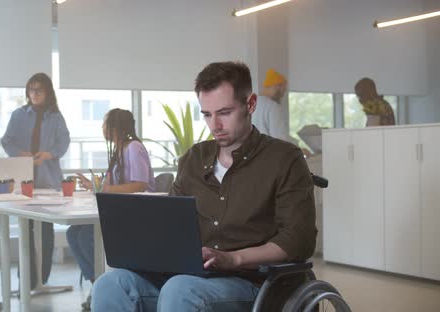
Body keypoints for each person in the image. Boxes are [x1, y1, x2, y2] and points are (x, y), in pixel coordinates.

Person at [91, 61, 317, 311]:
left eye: (224, 113)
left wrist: (233, 259)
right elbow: (169, 225)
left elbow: (298, 240)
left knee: (180, 290)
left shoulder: (284, 158)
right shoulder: (194, 159)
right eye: (207, 114)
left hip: (253, 283)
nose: (214, 126)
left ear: (250, 104)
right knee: (110, 285)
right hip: (189, 277)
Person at [70, 108, 155, 310]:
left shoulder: (133, 148)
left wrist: (107, 188)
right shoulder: (117, 150)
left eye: (105, 124)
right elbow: (111, 184)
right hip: (120, 210)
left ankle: (100, 286)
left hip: (138, 213)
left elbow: (140, 184)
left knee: (85, 237)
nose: (102, 128)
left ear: (115, 127)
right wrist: (94, 184)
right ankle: (97, 285)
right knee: (74, 233)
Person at [1, 73, 71, 289]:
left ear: (47, 92)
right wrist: (19, 153)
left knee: (45, 231)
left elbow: (64, 142)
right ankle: (27, 279)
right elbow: (7, 140)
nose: (34, 94)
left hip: (47, 179)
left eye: (39, 89)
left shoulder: (56, 117)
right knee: (26, 229)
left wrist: (48, 154)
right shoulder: (18, 115)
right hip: (22, 179)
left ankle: (42, 278)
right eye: (31, 89)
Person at [252, 68, 292, 142]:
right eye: (283, 89)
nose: (283, 94)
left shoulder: (252, 103)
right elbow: (280, 138)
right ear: (278, 87)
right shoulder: (273, 107)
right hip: (268, 152)